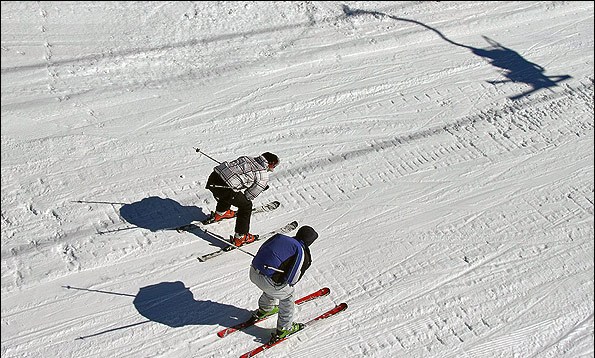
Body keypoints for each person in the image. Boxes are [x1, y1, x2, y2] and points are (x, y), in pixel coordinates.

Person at [249, 225, 318, 342]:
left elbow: (262, 249)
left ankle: (265, 309)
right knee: (287, 295)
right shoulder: (300, 251)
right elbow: (293, 279)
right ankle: (284, 329)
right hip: (267, 281)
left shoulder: (280, 238)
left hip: (253, 272)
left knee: (276, 285)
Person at [205, 152, 279, 246]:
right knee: (246, 205)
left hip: (213, 179)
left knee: (232, 190)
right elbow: (249, 195)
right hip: (224, 189)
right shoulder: (263, 176)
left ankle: (221, 212)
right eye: (274, 166)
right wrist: (259, 187)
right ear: (270, 164)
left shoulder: (247, 158)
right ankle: (241, 237)